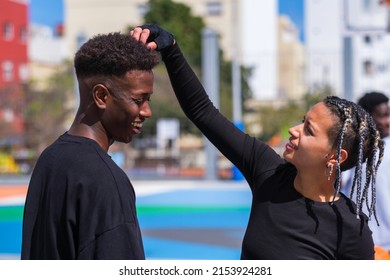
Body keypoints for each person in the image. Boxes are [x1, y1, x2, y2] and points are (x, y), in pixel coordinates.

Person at [131, 24, 385, 259]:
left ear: (335, 156)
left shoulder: (351, 230)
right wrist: (172, 50)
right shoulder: (269, 172)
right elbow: (203, 112)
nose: (294, 130)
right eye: (302, 121)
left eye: (308, 130)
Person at [21, 32, 160, 259]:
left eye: (148, 100)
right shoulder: (106, 181)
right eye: (138, 100)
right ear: (101, 96)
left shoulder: (50, 158)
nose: (147, 111)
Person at [342, 91, 390, 259]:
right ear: (367, 118)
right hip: (362, 243)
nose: (388, 121)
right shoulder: (355, 150)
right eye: (382, 116)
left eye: (389, 115)